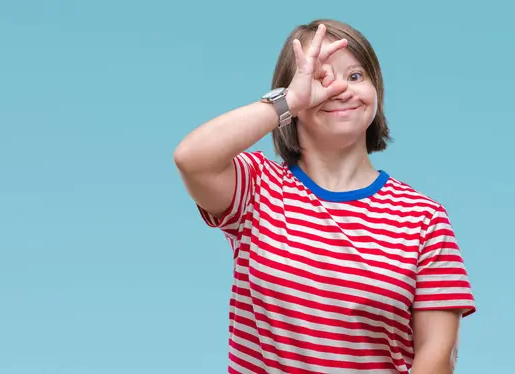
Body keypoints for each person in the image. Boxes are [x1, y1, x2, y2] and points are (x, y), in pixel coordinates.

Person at [173, 19, 475, 374]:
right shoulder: (258, 188)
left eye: (356, 76)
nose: (341, 90)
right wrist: (290, 100)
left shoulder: (424, 218)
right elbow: (192, 159)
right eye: (321, 78)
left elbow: (438, 354)